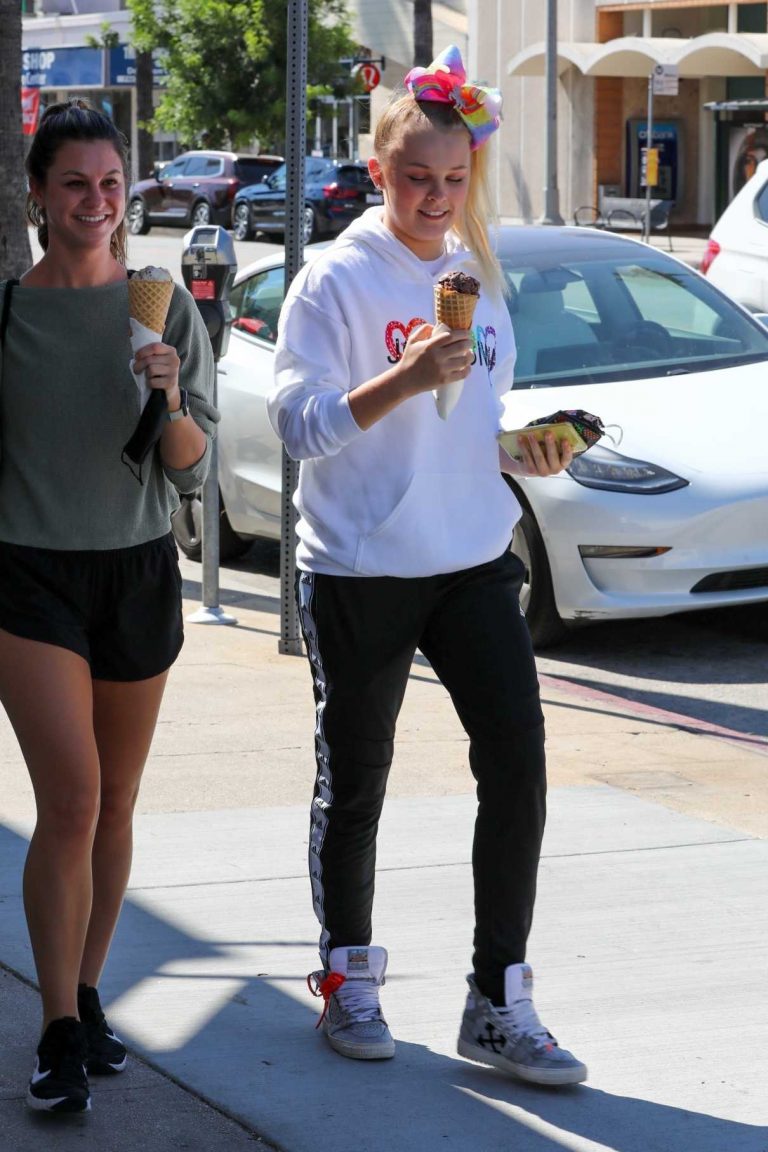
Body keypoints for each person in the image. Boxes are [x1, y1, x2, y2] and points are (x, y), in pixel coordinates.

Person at [267, 46, 587, 1086]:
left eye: (452, 180)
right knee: (356, 779)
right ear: (376, 167)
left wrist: (520, 449)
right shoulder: (336, 280)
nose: (434, 198)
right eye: (416, 177)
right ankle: (346, 976)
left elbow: (470, 428)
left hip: (470, 559)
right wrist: (399, 380)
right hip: (362, 568)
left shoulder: (476, 279)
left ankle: (498, 998)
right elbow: (301, 428)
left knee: (520, 764)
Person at [0, 99, 217, 1113]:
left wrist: (168, 395)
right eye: (76, 184)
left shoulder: (162, 304)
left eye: (111, 183)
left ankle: (88, 994)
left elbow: (187, 473)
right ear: (38, 195)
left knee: (118, 803)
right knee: (73, 801)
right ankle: (53, 1031)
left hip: (135, 572)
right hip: (29, 576)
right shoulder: (8, 315)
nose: (98, 201)